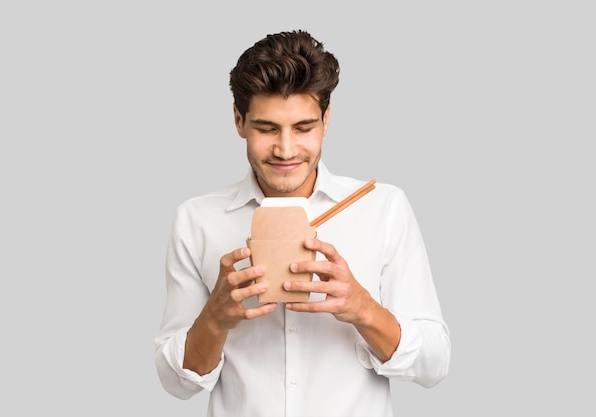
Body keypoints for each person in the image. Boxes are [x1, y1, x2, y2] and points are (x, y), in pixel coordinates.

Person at [155, 29, 451, 417]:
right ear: (238, 120)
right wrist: (215, 317)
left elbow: (434, 364)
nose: (286, 149)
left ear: (326, 120)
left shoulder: (383, 207)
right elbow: (176, 384)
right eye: (266, 129)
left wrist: (362, 307)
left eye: (303, 127)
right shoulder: (197, 220)